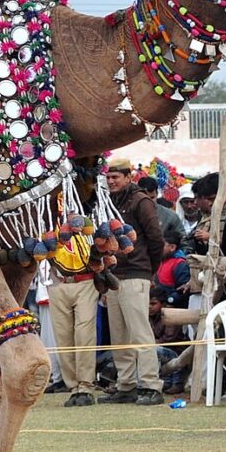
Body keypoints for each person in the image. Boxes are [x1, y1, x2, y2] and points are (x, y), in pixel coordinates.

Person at [98, 158, 165, 406]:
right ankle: (126, 385)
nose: (112, 182)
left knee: (140, 333)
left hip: (136, 274)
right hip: (114, 277)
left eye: (116, 177)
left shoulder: (141, 201)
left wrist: (149, 270)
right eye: (109, 178)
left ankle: (151, 385)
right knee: (119, 336)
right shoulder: (109, 202)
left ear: (129, 177)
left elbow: (156, 239)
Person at [48, 230, 100, 407]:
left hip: (85, 280)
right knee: (63, 337)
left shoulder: (87, 219)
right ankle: (73, 387)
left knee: (84, 334)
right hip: (58, 281)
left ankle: (85, 386)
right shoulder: (48, 217)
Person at [137, 176, 186, 247]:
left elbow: (183, 241)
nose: (148, 202)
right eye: (145, 198)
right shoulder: (130, 213)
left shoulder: (171, 216)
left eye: (152, 198)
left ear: (157, 194)